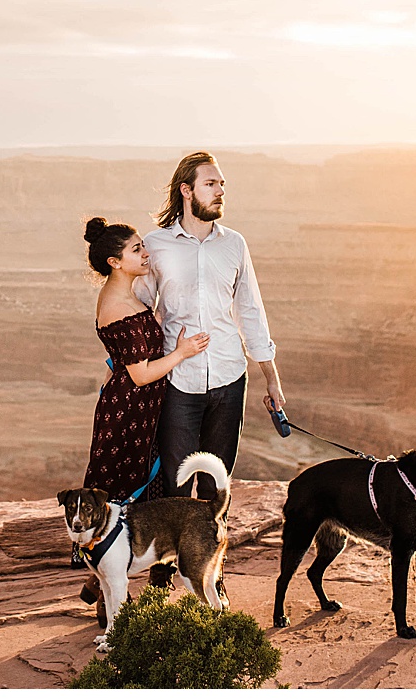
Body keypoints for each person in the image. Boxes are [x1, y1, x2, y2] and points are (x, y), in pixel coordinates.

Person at [134, 151, 286, 501]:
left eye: (221, 184)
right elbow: (140, 311)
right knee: (177, 486)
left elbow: (251, 310)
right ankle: (175, 556)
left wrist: (271, 378)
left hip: (230, 379)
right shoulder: (156, 245)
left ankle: (212, 555)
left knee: (216, 485)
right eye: (211, 184)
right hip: (178, 384)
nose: (220, 191)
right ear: (187, 191)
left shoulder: (234, 244)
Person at [76, 217, 209, 612]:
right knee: (121, 495)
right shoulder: (117, 305)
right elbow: (139, 373)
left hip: (139, 410)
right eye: (136, 249)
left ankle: (94, 584)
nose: (145, 253)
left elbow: (120, 360)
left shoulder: (127, 294)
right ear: (115, 262)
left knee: (133, 492)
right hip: (129, 412)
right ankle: (107, 601)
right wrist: (182, 354)